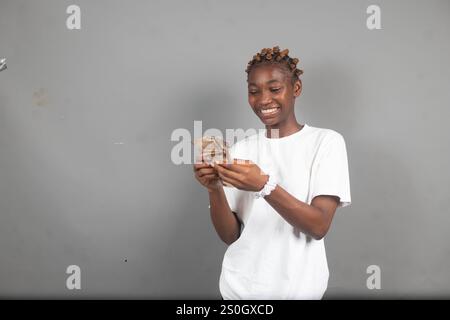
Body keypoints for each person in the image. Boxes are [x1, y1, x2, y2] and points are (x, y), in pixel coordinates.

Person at [193, 46, 351, 299]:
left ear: (296, 89)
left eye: (275, 89)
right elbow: (230, 235)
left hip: (298, 290)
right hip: (239, 290)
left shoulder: (326, 142)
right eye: (254, 92)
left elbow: (319, 226)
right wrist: (214, 189)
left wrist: (264, 186)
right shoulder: (241, 148)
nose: (264, 100)